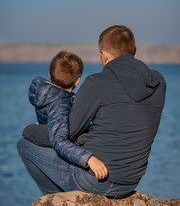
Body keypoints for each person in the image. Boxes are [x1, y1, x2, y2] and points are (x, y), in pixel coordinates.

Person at [17, 25, 166, 199]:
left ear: (103, 54)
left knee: (24, 145)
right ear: (134, 50)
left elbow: (64, 133)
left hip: (94, 180)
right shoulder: (158, 82)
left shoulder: (97, 82)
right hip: (130, 181)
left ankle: (56, 199)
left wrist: (30, 130)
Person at [23, 50, 108, 179]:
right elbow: (59, 141)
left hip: (48, 138)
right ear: (77, 81)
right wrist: (89, 159)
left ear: (50, 75)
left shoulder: (45, 93)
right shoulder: (61, 104)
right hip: (57, 149)